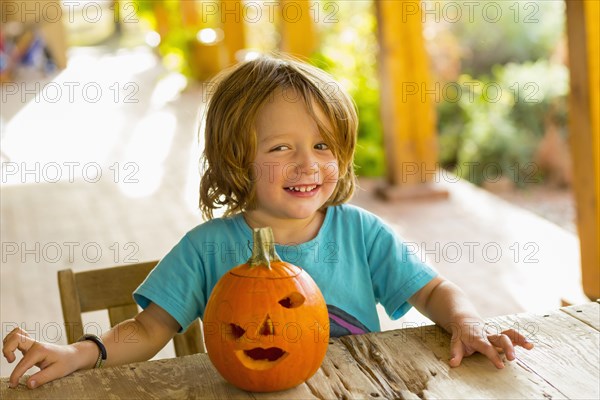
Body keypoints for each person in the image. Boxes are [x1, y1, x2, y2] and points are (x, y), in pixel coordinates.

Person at [3, 55, 533, 389]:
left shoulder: (362, 232)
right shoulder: (207, 248)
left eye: (323, 145)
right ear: (237, 157)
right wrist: (80, 351)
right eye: (282, 147)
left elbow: (435, 290)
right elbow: (146, 330)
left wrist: (465, 322)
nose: (309, 165)